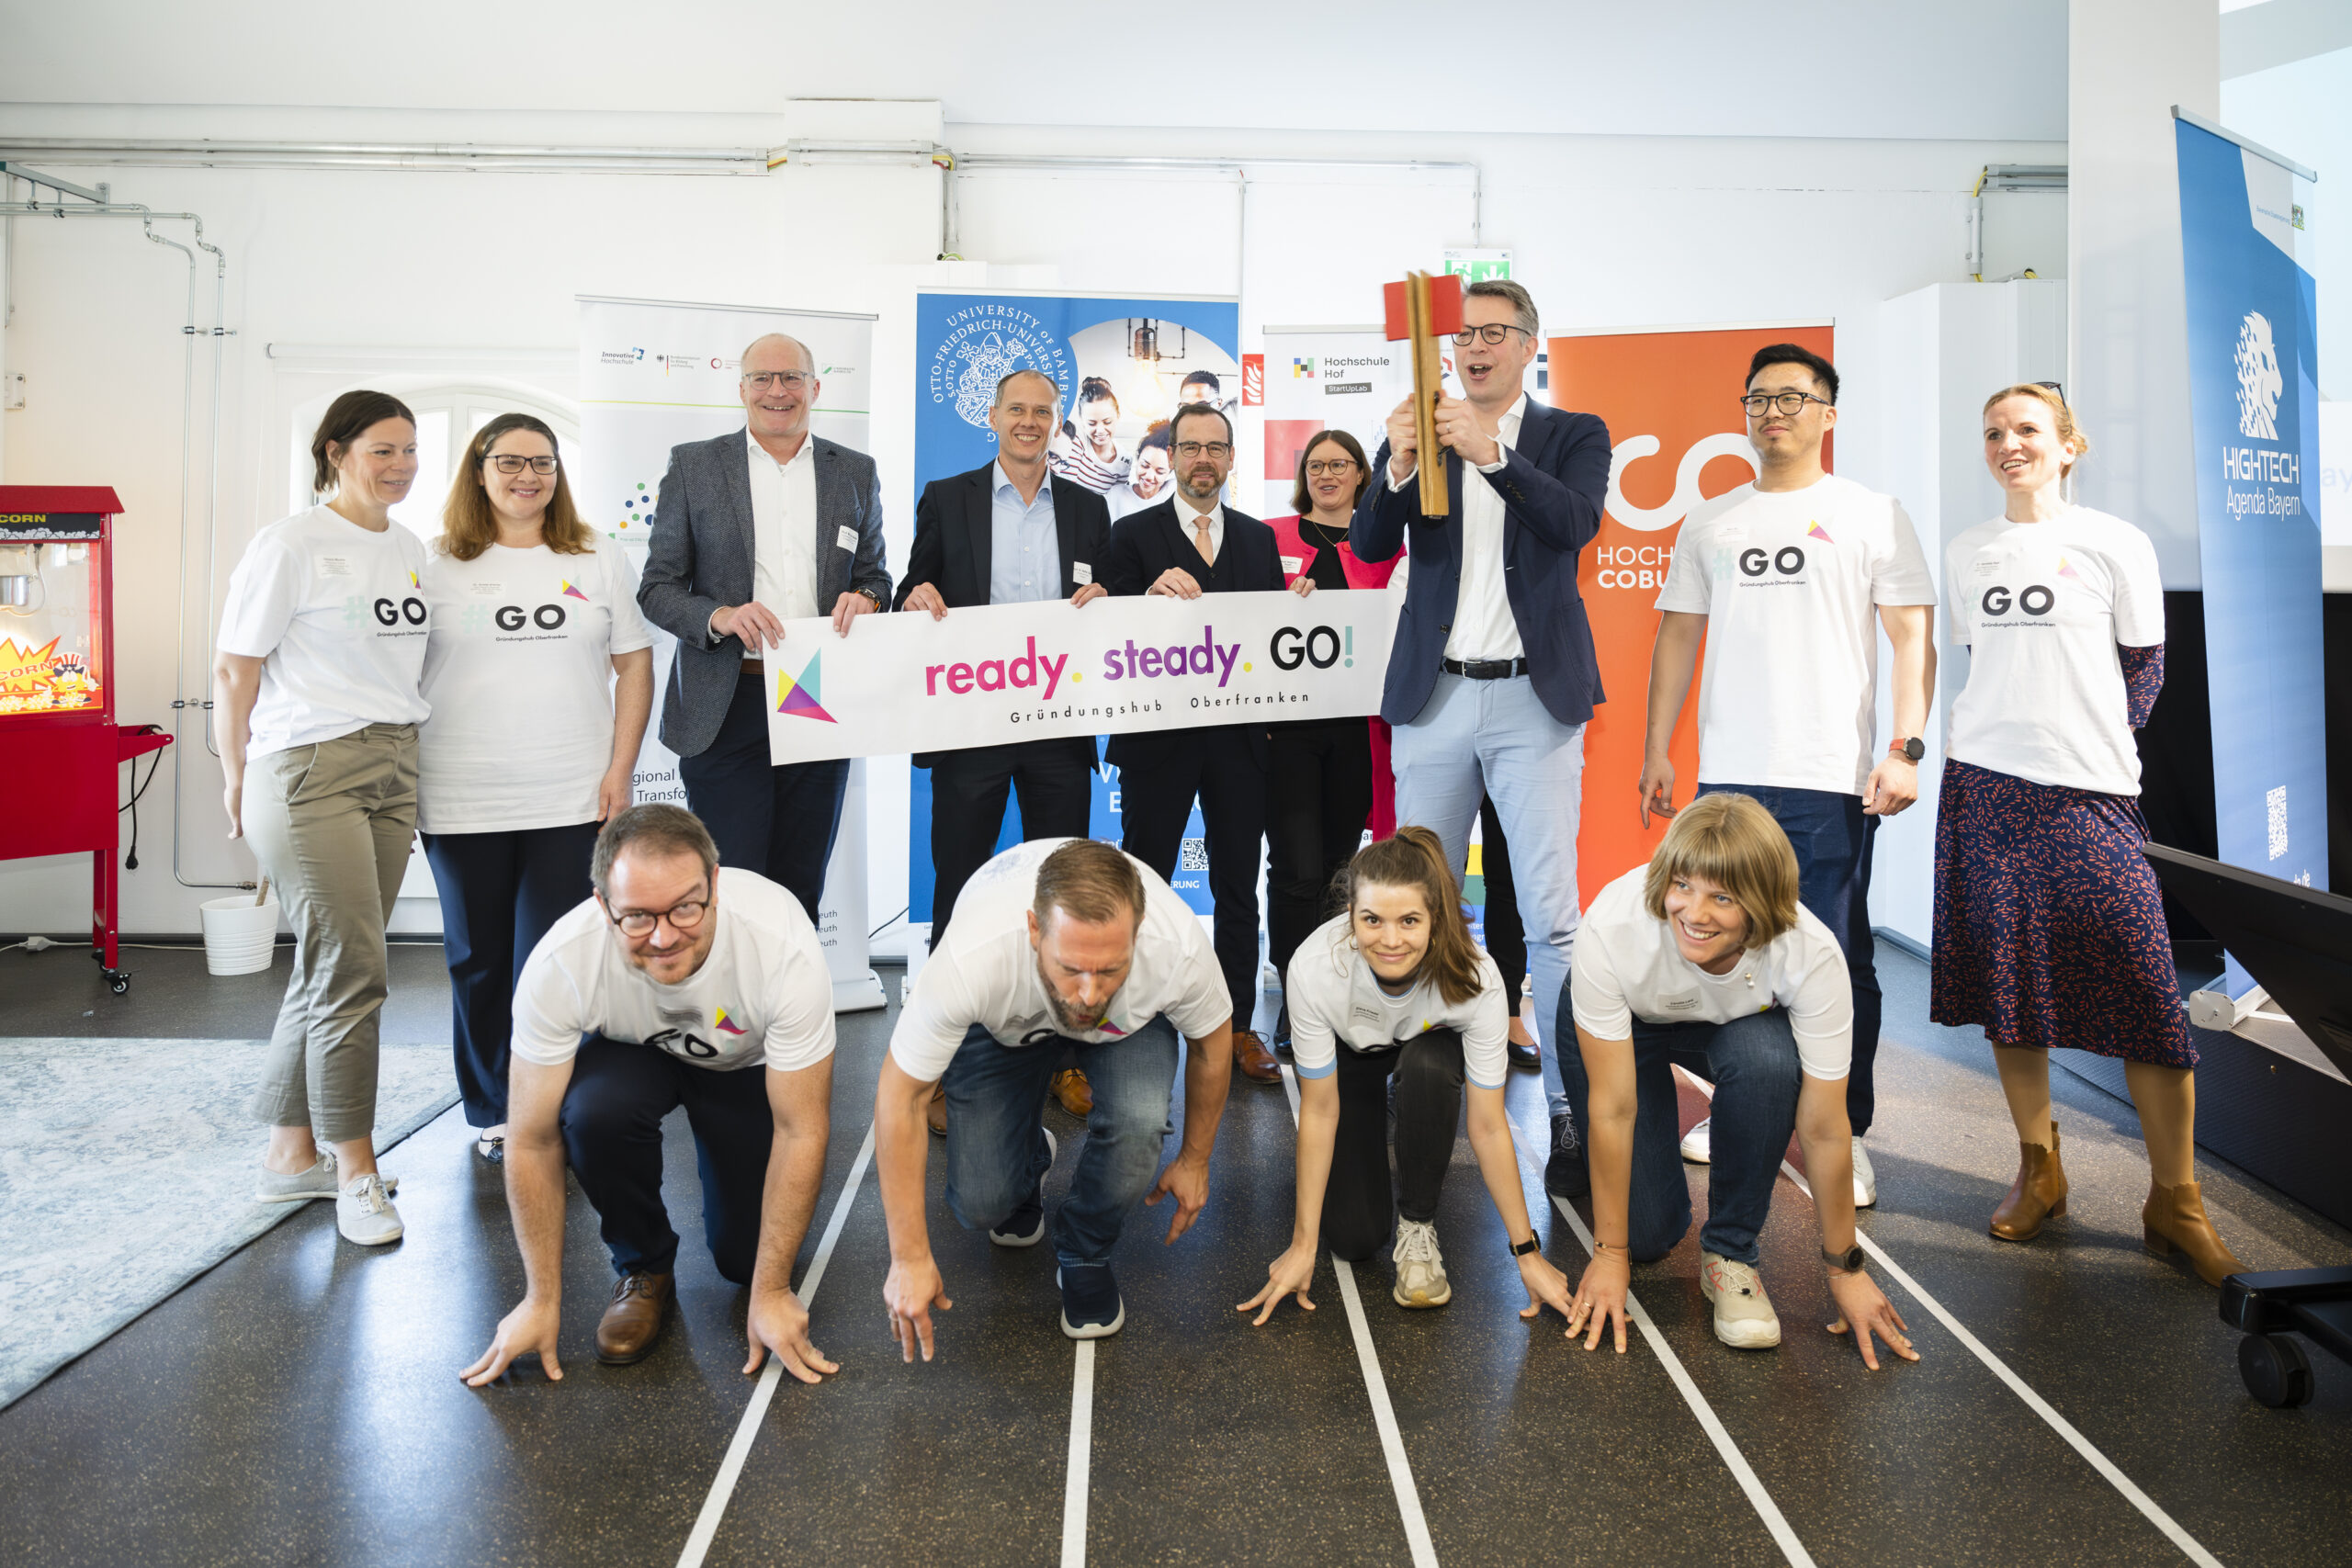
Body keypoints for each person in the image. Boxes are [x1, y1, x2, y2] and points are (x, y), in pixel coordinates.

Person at [1932, 384, 2244, 1283]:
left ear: (2068, 445)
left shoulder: (2115, 542)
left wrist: (2086, 739)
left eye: (2026, 429)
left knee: (2148, 996)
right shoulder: (1967, 550)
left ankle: (2173, 1202)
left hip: (2088, 795)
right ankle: (2041, 1171)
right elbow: (1980, 664)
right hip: (1984, 787)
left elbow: (2143, 670)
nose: (2007, 444)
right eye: (1992, 432)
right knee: (2008, 991)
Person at [1638, 344, 1937, 1209]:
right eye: (1760, 399)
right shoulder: (1712, 520)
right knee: (1719, 949)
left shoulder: (1872, 512)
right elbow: (1678, 640)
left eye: (1794, 398)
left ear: (1827, 413)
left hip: (1829, 776)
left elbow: (1912, 640)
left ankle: (1837, 1131)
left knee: (1836, 956)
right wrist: (1660, 750)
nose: (1775, 413)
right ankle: (1741, 1106)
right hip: (1727, 778)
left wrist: (1906, 748)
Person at [1351, 277, 1611, 1200]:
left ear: (1529, 343)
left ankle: (1576, 1111)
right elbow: (1374, 546)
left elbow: (1575, 523)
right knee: (1409, 906)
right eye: (1462, 335)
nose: (1474, 347)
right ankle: (1413, 1084)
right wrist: (1394, 461)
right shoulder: (1423, 431)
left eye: (1494, 333)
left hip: (1534, 703)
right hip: (1436, 699)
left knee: (1549, 913)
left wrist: (1491, 453)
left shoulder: (1571, 434)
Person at [458, 805, 838, 1382]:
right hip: (635, 1056)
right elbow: (531, 1140)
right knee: (589, 1113)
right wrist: (540, 1298)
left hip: (744, 1068)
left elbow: (801, 1128)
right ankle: (644, 1267)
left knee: (744, 1261)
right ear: (602, 906)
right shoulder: (562, 962)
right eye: (636, 916)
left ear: (715, 883)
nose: (663, 937)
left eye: (685, 908)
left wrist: (773, 1289)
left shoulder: (779, 943)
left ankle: (754, 1270)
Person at [1561, 794, 1917, 1367]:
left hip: (1734, 1029)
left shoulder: (1811, 953)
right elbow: (1613, 1109)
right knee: (1647, 1238)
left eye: (1722, 898)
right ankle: (1619, 1180)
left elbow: (1826, 1128)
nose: (1695, 913)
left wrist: (1844, 1266)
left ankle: (1729, 1255)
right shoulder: (1613, 925)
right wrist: (1608, 1254)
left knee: (1772, 1059)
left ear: (1762, 901)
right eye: (1683, 886)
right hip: (1631, 1023)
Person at [875, 838, 1238, 1350]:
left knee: (1139, 1125)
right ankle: (1028, 1160)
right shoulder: (975, 955)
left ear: (1137, 936)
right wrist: (908, 1256)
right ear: (1033, 931)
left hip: (1128, 1026)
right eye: (1071, 968)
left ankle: (1086, 1250)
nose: (1089, 994)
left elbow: (1212, 1045)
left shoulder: (1175, 946)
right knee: (982, 1206)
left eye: (1111, 968)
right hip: (1004, 1025)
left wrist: (1196, 1158)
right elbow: (902, 1095)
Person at [214, 389, 428, 1246]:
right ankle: (357, 1175)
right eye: (383, 449)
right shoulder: (292, 543)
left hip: (393, 763)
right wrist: (235, 775)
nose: (402, 465)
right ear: (336, 451)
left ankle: (288, 1157)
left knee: (327, 964)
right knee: (355, 970)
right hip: (310, 766)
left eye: (410, 450)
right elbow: (235, 669)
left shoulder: (408, 547)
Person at [418, 413, 655, 1164]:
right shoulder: (433, 564)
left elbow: (635, 666)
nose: (529, 476)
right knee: (478, 958)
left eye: (543, 463)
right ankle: (493, 1107)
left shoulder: (595, 556)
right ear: (478, 468)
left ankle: (557, 1101)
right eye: (511, 461)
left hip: (571, 794)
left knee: (555, 958)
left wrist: (621, 770)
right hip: (461, 793)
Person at [1241, 828, 1579, 1322]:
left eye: (1410, 921)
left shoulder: (1476, 978)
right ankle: (1377, 1129)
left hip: (1426, 1049)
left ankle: (1418, 1226)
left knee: (1427, 1068)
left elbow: (1487, 1126)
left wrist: (1526, 1254)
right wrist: (1301, 1244)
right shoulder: (1316, 969)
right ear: (1350, 916)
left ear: (1436, 921)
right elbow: (1319, 1110)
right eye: (1372, 920)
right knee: (1353, 1240)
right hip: (1352, 1054)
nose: (1391, 939)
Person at [899, 368, 1113, 1130]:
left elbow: (1108, 605)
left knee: (1066, 894)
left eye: (1042, 412)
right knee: (959, 888)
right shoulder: (947, 496)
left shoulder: (1090, 507)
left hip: (1058, 730)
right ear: (992, 417)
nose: (1029, 422)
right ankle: (941, 1059)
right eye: (1016, 409)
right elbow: (910, 586)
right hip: (971, 730)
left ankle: (1062, 1057)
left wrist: (1106, 599)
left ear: (1058, 424)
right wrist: (915, 594)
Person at [637, 333, 891, 921]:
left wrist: (869, 600)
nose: (778, 391)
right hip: (727, 702)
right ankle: (729, 1015)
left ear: (815, 388)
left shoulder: (853, 471)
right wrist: (719, 616)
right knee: (733, 886)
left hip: (818, 694)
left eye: (792, 378)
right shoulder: (694, 465)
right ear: (742, 389)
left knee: (801, 882)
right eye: (763, 379)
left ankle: (789, 1011)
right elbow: (656, 588)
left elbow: (877, 576)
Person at [1099, 401, 1285, 1085]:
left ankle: (1236, 1028)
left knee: (1238, 884)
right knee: (1142, 881)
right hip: (1158, 743)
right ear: (1171, 457)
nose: (1203, 459)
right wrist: (1146, 596)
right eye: (1190, 447)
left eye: (1216, 447)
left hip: (1240, 743)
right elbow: (1103, 633)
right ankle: (1136, 1017)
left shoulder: (1259, 540)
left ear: (1231, 459)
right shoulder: (1130, 534)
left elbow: (1271, 640)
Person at [1262, 431, 1396, 1057]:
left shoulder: (1386, 548)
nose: (1326, 474)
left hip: (1356, 733)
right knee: (1294, 870)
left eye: (1339, 464)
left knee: (1341, 871)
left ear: (1363, 474)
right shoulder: (1270, 537)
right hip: (1286, 733)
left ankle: (1332, 995)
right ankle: (1294, 1002)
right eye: (1315, 465)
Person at [1475, 797, 1542, 1070]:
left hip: (1520, 755)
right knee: (1434, 872)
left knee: (1507, 876)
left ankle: (1509, 1012)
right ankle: (1436, 1020)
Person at [1046, 375, 1129, 493]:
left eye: (1107, 422)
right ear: (1082, 420)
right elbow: (1066, 487)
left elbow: (1114, 501)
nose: (1100, 430)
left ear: (1118, 416)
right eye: (1091, 423)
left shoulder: (1124, 462)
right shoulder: (1075, 439)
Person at [1106, 424, 1175, 522]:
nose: (1149, 476)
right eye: (1144, 465)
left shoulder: (1173, 491)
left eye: (1160, 472)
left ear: (1170, 471)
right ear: (1138, 460)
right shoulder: (1116, 495)